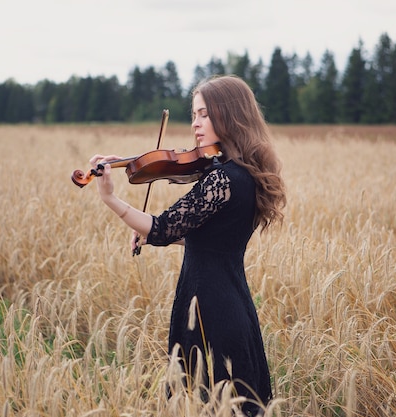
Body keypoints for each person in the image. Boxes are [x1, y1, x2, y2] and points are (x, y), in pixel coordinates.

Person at [89, 74, 286, 416]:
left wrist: (111, 199)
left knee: (204, 402)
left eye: (204, 114)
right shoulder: (242, 174)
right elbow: (213, 242)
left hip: (209, 308)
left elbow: (164, 227)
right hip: (231, 301)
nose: (195, 124)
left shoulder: (222, 179)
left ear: (230, 114)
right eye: (194, 114)